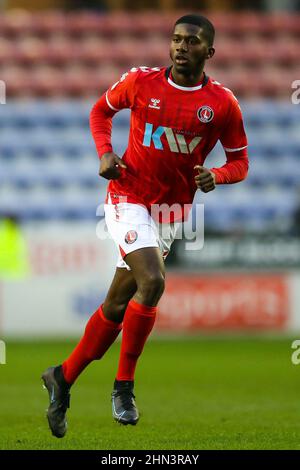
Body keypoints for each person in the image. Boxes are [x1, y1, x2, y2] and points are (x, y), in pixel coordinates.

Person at [42, 13, 248, 438]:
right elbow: (100, 112)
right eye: (175, 39)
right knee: (151, 282)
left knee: (117, 304)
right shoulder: (140, 82)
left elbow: (240, 161)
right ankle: (124, 387)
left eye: (191, 42)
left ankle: (62, 377)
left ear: (208, 52)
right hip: (127, 196)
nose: (180, 47)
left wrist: (218, 176)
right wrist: (105, 153)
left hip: (171, 212)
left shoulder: (222, 104)